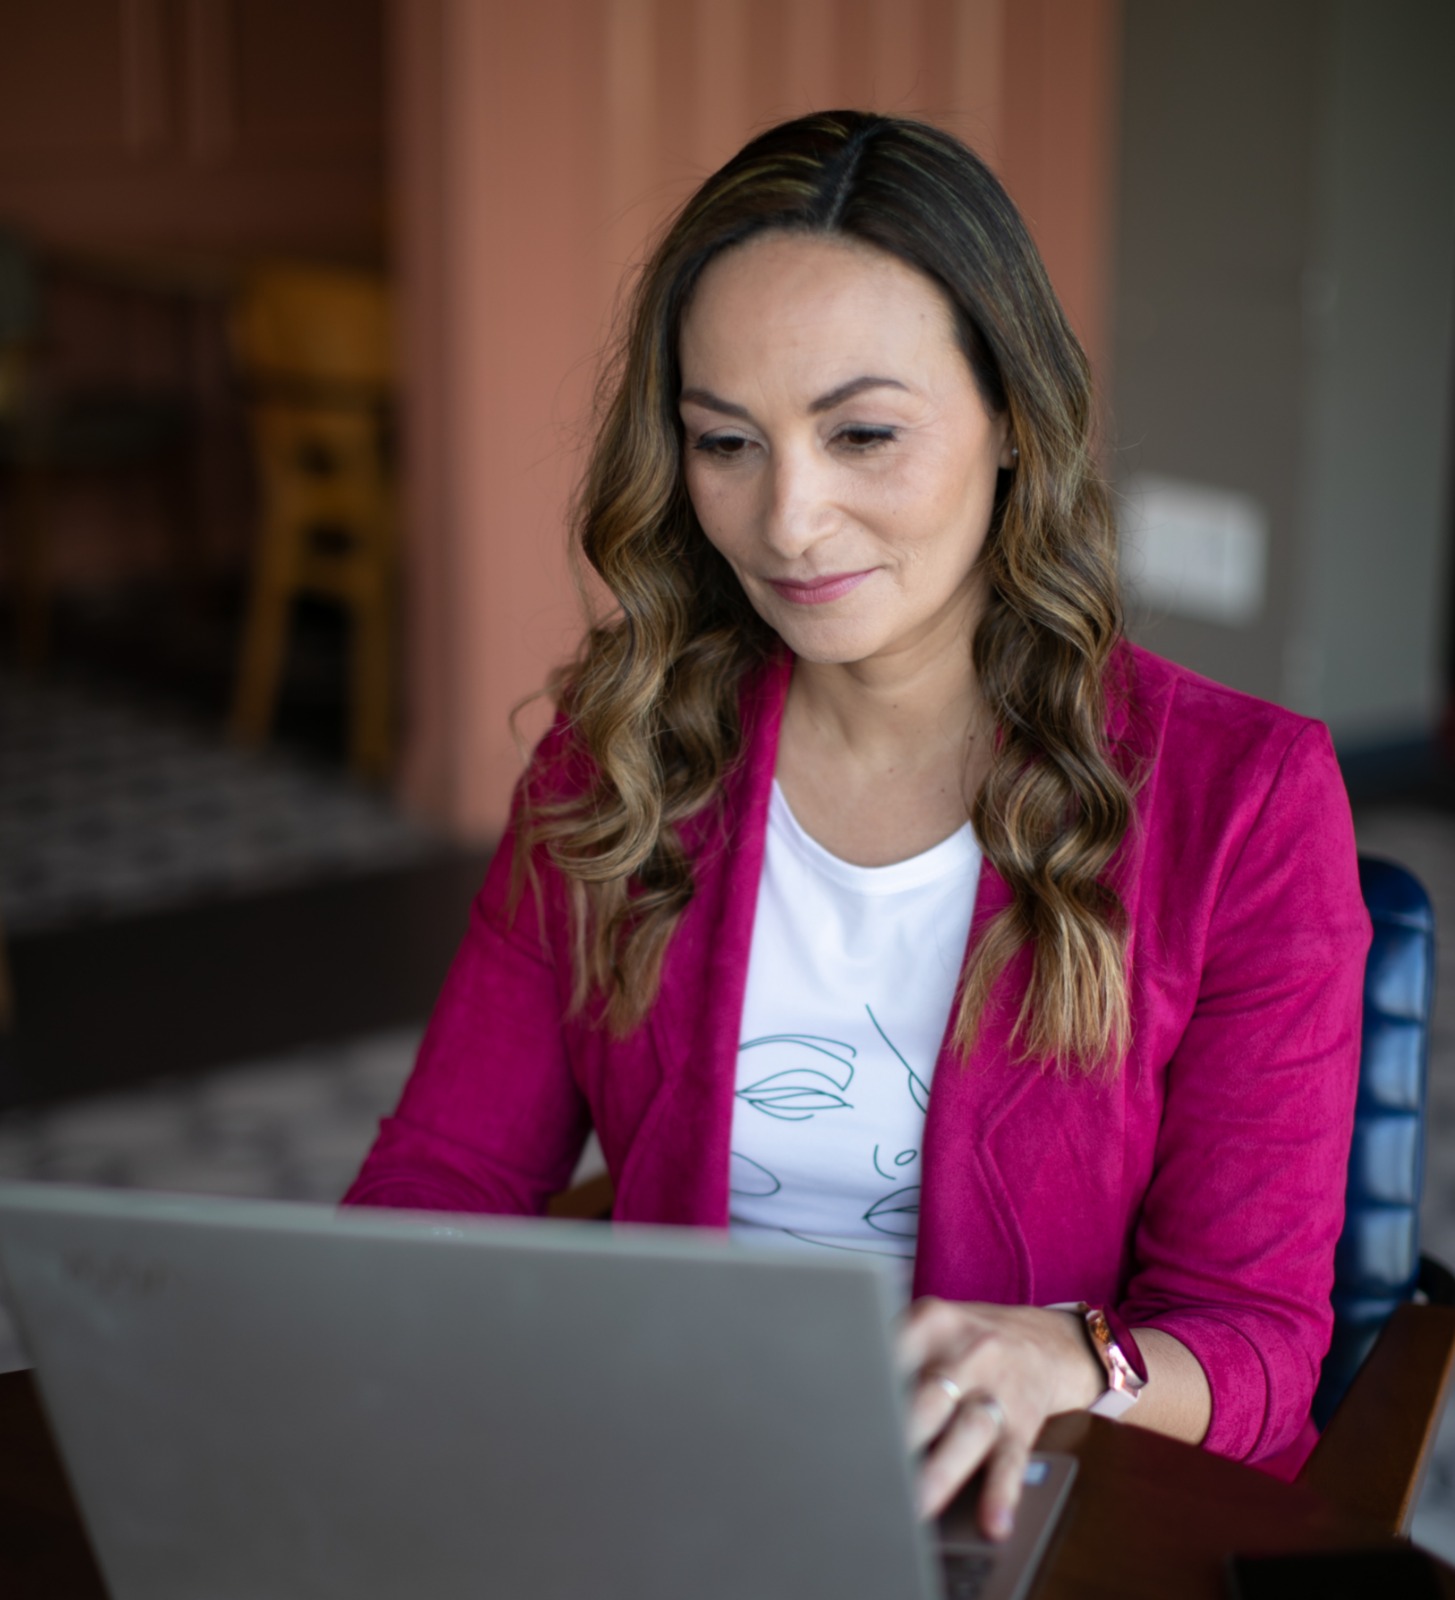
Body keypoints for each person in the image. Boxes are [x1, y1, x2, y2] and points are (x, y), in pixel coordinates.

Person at [345, 110, 1369, 1540]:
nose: (790, 521)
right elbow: (447, 1174)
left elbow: (1257, 1350)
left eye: (863, 433)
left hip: (1037, 1518)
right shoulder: (620, 760)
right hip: (672, 1482)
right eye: (726, 443)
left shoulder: (1242, 800)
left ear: (1013, 420)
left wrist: (1058, 1357)